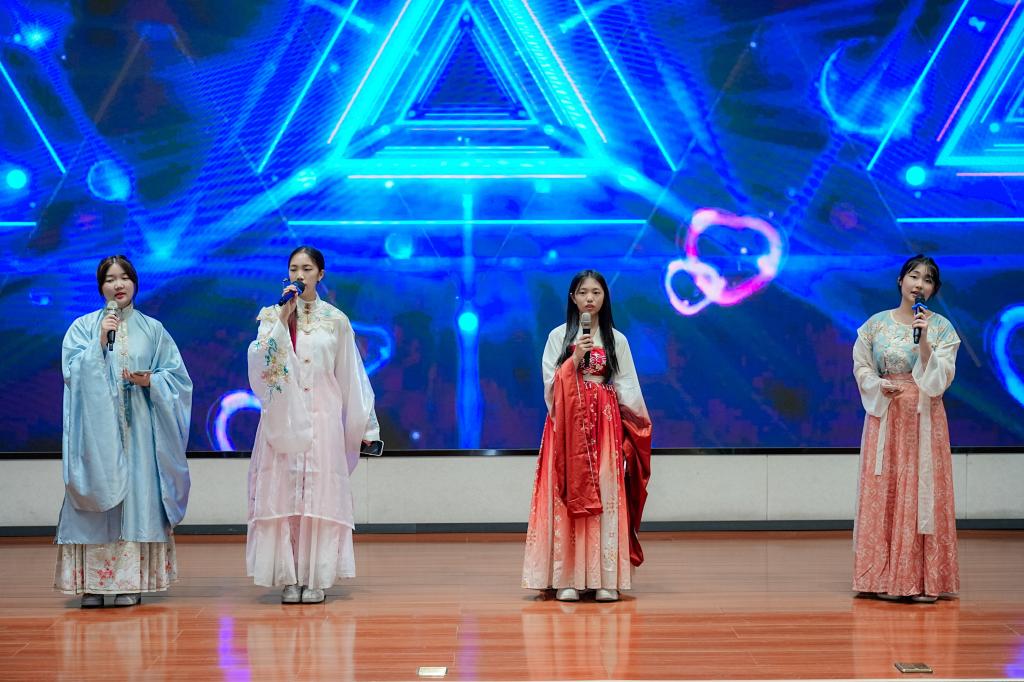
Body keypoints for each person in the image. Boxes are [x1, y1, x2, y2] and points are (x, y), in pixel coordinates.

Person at [55, 255, 192, 608]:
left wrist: (151, 381)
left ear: (134, 282)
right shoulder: (82, 328)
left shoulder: (153, 329)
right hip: (96, 437)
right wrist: (99, 343)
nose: (118, 285)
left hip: (139, 435)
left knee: (136, 500)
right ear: (100, 286)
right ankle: (92, 584)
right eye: (109, 279)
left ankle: (131, 581)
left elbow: (178, 380)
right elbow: (71, 373)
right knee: (97, 499)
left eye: (124, 277)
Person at [246, 245, 380, 604]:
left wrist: (367, 427)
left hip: (323, 417)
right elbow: (261, 366)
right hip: (282, 418)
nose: (299, 275)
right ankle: (288, 577)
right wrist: (281, 321)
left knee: (319, 493)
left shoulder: (336, 320)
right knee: (284, 491)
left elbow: (351, 374)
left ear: (320, 274)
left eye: (306, 268)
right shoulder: (272, 316)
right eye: (294, 268)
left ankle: (316, 576)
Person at [522, 270, 652, 602]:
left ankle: (605, 579)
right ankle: (567, 577)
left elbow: (627, 388)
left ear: (605, 297)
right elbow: (550, 386)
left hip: (604, 426)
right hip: (566, 426)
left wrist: (633, 432)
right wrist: (575, 359)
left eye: (596, 292)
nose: (590, 298)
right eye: (583, 292)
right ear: (573, 298)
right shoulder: (558, 337)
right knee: (566, 494)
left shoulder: (617, 340)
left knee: (605, 494)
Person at [852, 254, 960, 602]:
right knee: (885, 488)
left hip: (924, 418)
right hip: (887, 414)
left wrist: (924, 340)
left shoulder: (941, 328)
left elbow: (940, 379)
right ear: (901, 280)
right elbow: (861, 366)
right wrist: (876, 384)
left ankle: (921, 580)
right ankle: (881, 577)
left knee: (920, 489)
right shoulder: (875, 325)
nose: (919, 284)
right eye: (914, 276)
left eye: (927, 280)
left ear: (933, 289)